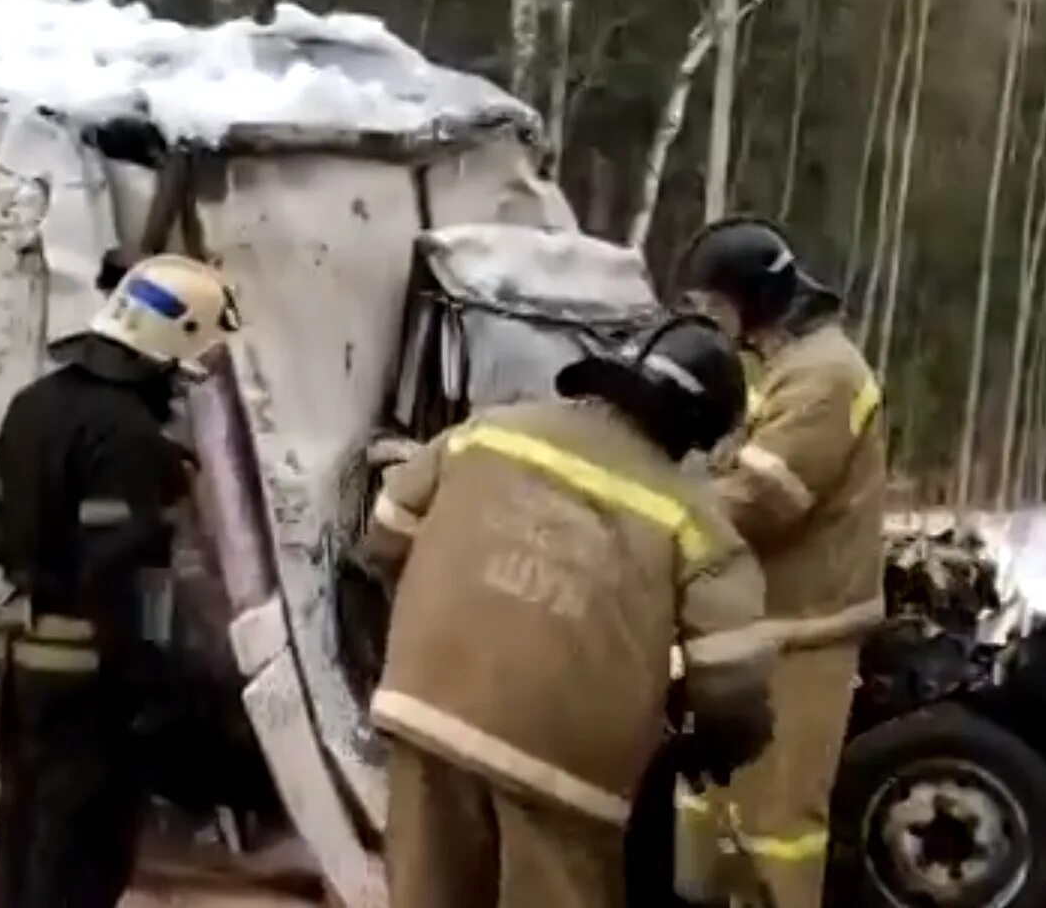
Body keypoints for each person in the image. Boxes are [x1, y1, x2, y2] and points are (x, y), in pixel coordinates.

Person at [356, 315, 778, 908]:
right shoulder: (693, 517)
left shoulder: (487, 433)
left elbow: (386, 533)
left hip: (427, 706)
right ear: (699, 430)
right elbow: (732, 677)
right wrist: (720, 743)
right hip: (566, 766)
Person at [0, 252, 240, 908]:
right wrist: (156, 690)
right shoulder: (128, 437)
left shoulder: (33, 404)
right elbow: (120, 574)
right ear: (167, 347)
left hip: (18, 667)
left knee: (23, 839)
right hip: (89, 684)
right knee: (79, 860)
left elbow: (7, 524)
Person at [673, 217, 888, 908]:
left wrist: (655, 518)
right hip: (752, 626)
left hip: (804, 632)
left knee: (778, 820)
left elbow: (765, 498)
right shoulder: (779, 360)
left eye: (716, 304)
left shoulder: (826, 373)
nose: (709, 320)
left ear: (755, 300)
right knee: (712, 800)